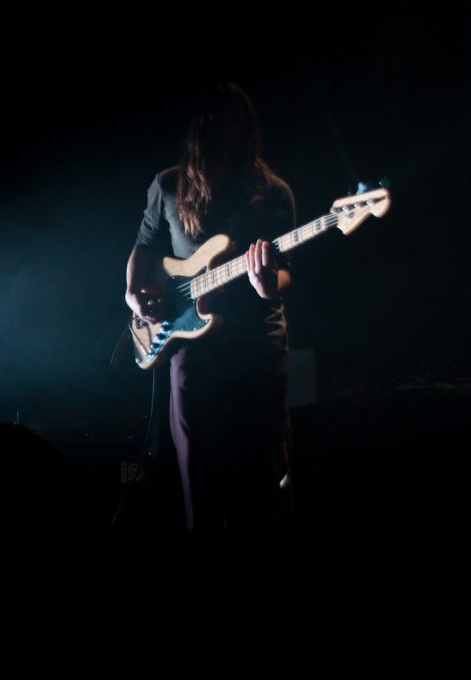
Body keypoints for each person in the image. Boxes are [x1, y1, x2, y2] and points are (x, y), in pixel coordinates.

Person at [125, 82, 295, 529]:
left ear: (247, 128)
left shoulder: (274, 192)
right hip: (191, 340)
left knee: (267, 464)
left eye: (234, 122)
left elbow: (285, 271)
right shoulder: (168, 185)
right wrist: (132, 291)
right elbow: (145, 246)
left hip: (257, 339)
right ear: (199, 127)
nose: (225, 131)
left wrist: (267, 286)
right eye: (215, 121)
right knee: (196, 465)